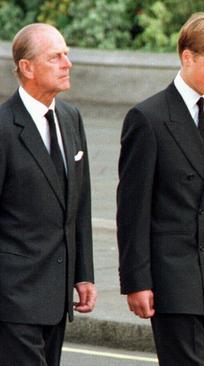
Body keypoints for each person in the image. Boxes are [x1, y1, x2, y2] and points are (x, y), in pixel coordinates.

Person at [116, 13, 204, 366]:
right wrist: (136, 281)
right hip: (172, 278)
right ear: (187, 57)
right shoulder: (148, 118)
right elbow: (132, 209)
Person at [0, 23, 95, 365]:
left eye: (66, 55)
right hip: (13, 298)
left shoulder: (71, 119)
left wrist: (83, 273)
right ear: (27, 67)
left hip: (56, 298)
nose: (67, 63)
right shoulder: (4, 127)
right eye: (55, 57)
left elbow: (78, 205)